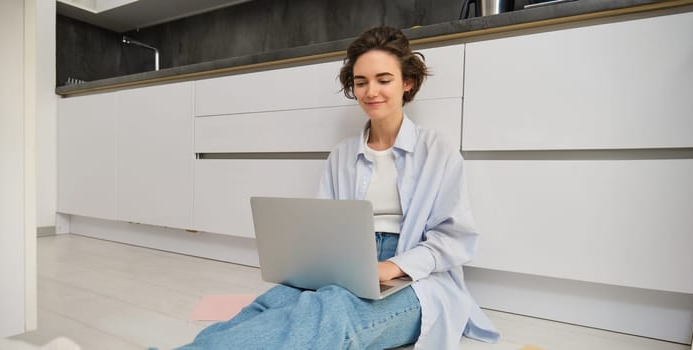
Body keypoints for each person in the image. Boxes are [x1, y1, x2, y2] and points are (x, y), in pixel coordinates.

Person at [178, 26, 500, 350]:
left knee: (333, 311)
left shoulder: (438, 149)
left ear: (407, 82)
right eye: (361, 82)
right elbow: (323, 227)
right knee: (276, 301)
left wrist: (391, 267)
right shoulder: (342, 155)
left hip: (418, 277)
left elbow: (454, 238)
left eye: (383, 79)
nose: (371, 91)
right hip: (346, 266)